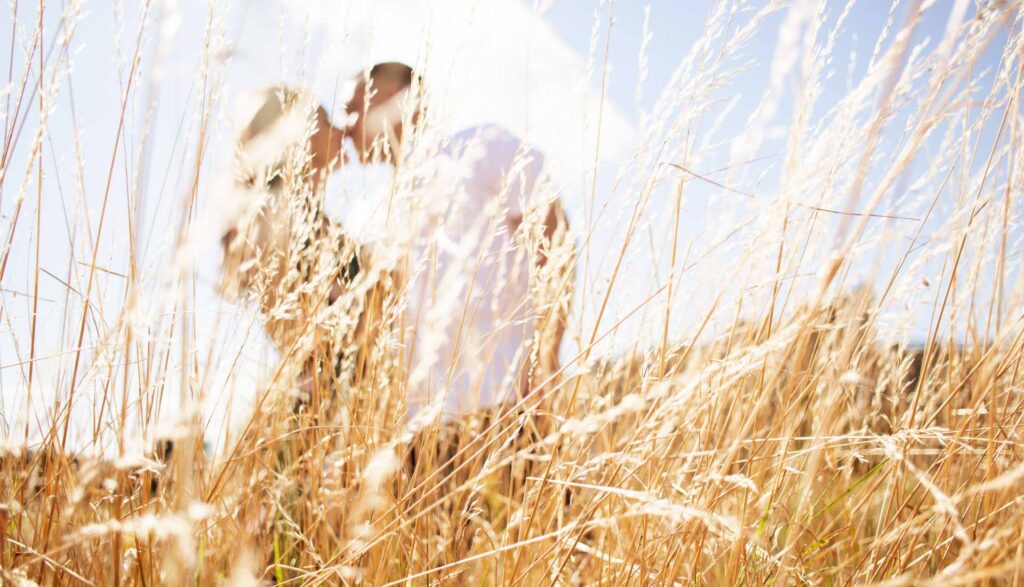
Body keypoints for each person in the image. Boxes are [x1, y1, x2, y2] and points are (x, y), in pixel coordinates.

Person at [342, 62, 574, 421]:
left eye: (352, 111)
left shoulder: (481, 148)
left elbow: (555, 240)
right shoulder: (382, 211)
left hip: (505, 402)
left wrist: (546, 359)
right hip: (422, 427)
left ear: (391, 99)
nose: (345, 129)